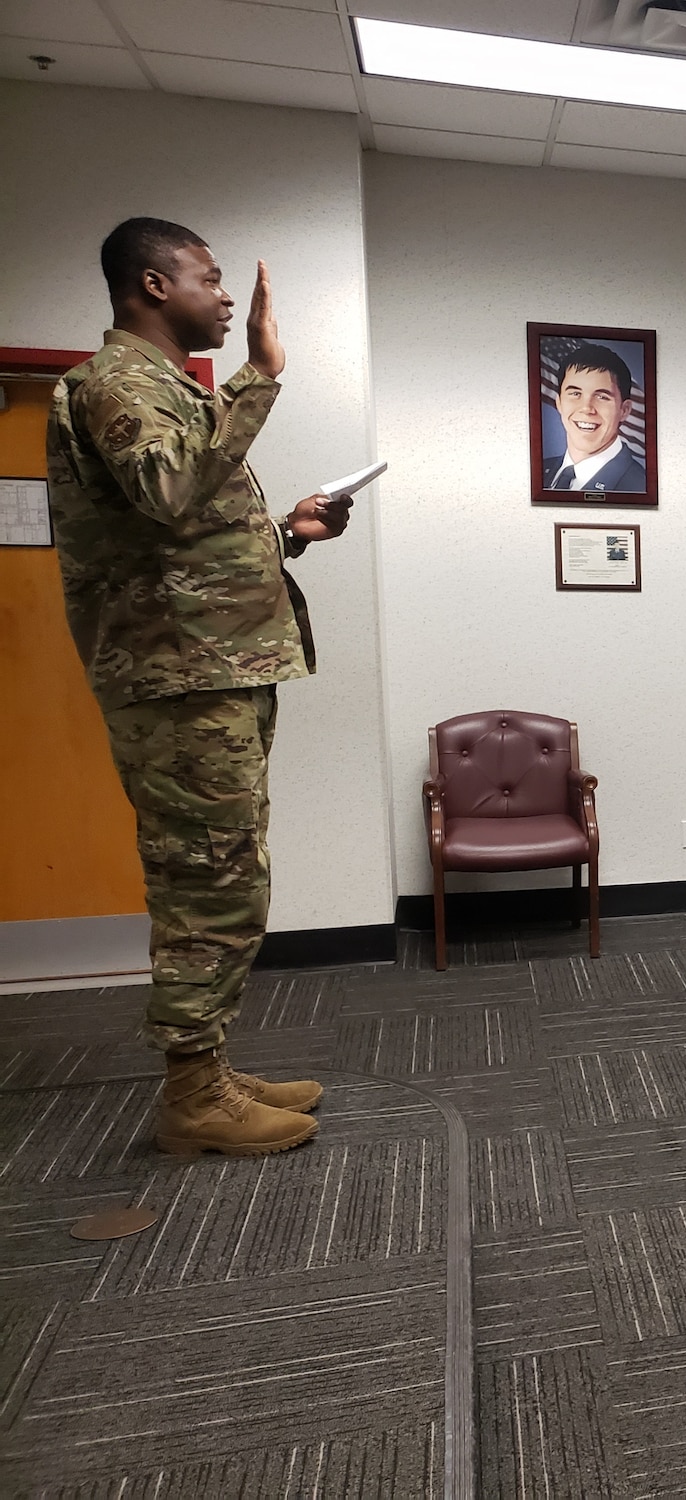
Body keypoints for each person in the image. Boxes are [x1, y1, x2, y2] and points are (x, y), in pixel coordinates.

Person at [45, 217, 346, 1156]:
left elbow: (180, 536)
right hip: (179, 677)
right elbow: (171, 492)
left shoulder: (165, 389)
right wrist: (262, 374)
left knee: (225, 874)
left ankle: (208, 1065)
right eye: (210, 278)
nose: (227, 297)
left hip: (213, 667)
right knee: (206, 883)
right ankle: (191, 1094)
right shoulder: (116, 385)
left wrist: (286, 533)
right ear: (152, 284)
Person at [541, 344, 646, 493]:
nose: (587, 408)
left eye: (601, 397)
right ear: (559, 402)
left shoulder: (639, 487)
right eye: (575, 394)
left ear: (624, 410)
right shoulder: (539, 473)